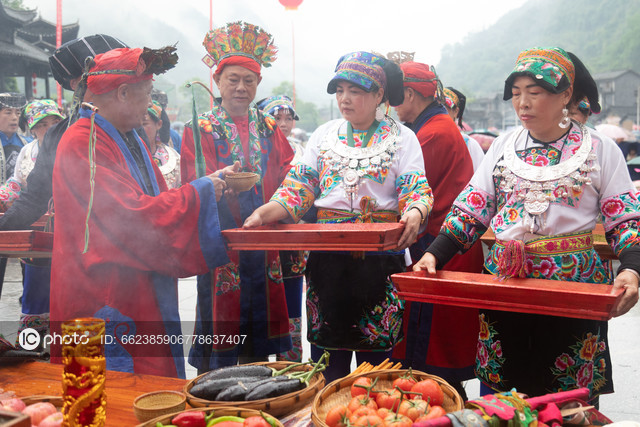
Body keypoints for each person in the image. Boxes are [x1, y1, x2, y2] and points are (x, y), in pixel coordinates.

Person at [413, 47, 640, 404]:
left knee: (566, 397)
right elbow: (473, 209)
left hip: (572, 288)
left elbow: (623, 218)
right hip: (505, 283)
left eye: (534, 93)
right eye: (516, 94)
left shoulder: (600, 148)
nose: (523, 104)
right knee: (504, 394)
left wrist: (631, 269)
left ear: (566, 94)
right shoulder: (504, 145)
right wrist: (434, 255)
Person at [244, 51, 433, 382]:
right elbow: (298, 188)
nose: (345, 99)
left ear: (379, 96)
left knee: (376, 367)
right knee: (327, 361)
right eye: (340, 90)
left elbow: (415, 188)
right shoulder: (323, 135)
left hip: (379, 261)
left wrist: (416, 210)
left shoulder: (402, 138)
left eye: (356, 91)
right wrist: (264, 213)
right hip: (327, 260)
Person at [50, 46, 233, 378]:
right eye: (146, 94)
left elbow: (158, 200)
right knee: (107, 398)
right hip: (102, 292)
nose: (151, 105)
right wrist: (202, 192)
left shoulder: (126, 136)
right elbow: (131, 217)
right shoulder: (84, 142)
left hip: (135, 284)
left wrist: (207, 187)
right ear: (122, 93)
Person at [181, 22, 294, 371]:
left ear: (259, 83)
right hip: (221, 237)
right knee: (221, 319)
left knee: (259, 329)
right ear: (218, 81)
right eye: (233, 79)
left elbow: (291, 171)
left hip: (263, 237)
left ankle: (257, 388)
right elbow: (190, 182)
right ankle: (214, 388)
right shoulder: (199, 128)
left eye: (249, 80)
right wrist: (218, 184)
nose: (241, 87)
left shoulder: (269, 127)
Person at [389, 61, 484, 400]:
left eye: (395, 96)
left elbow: (399, 190)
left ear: (411, 94)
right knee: (437, 344)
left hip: (442, 245)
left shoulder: (431, 134)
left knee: (431, 349)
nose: (392, 105)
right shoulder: (439, 126)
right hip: (449, 241)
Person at [0, 34, 127, 232]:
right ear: (77, 85)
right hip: (76, 241)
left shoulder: (129, 127)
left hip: (129, 239)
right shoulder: (59, 134)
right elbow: (34, 198)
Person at [256, 95, 307, 362]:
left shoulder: (302, 152)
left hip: (292, 245)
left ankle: (292, 367)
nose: (283, 124)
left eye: (288, 118)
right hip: (264, 238)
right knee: (264, 305)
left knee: (291, 306)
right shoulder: (257, 152)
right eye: (277, 118)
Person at [12, 100, 64, 346]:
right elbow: (17, 184)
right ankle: (31, 346)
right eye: (43, 125)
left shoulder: (68, 146)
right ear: (32, 129)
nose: (50, 128)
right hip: (33, 233)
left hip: (64, 233)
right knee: (34, 289)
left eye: (55, 122)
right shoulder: (27, 151)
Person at [443, 87, 485, 171]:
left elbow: (480, 178)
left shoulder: (470, 146)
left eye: (444, 108)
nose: (438, 113)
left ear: (455, 112)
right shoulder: (425, 139)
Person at [143, 100, 181, 188]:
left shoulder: (174, 159)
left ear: (159, 124)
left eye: (144, 124)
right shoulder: (124, 155)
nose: (139, 129)